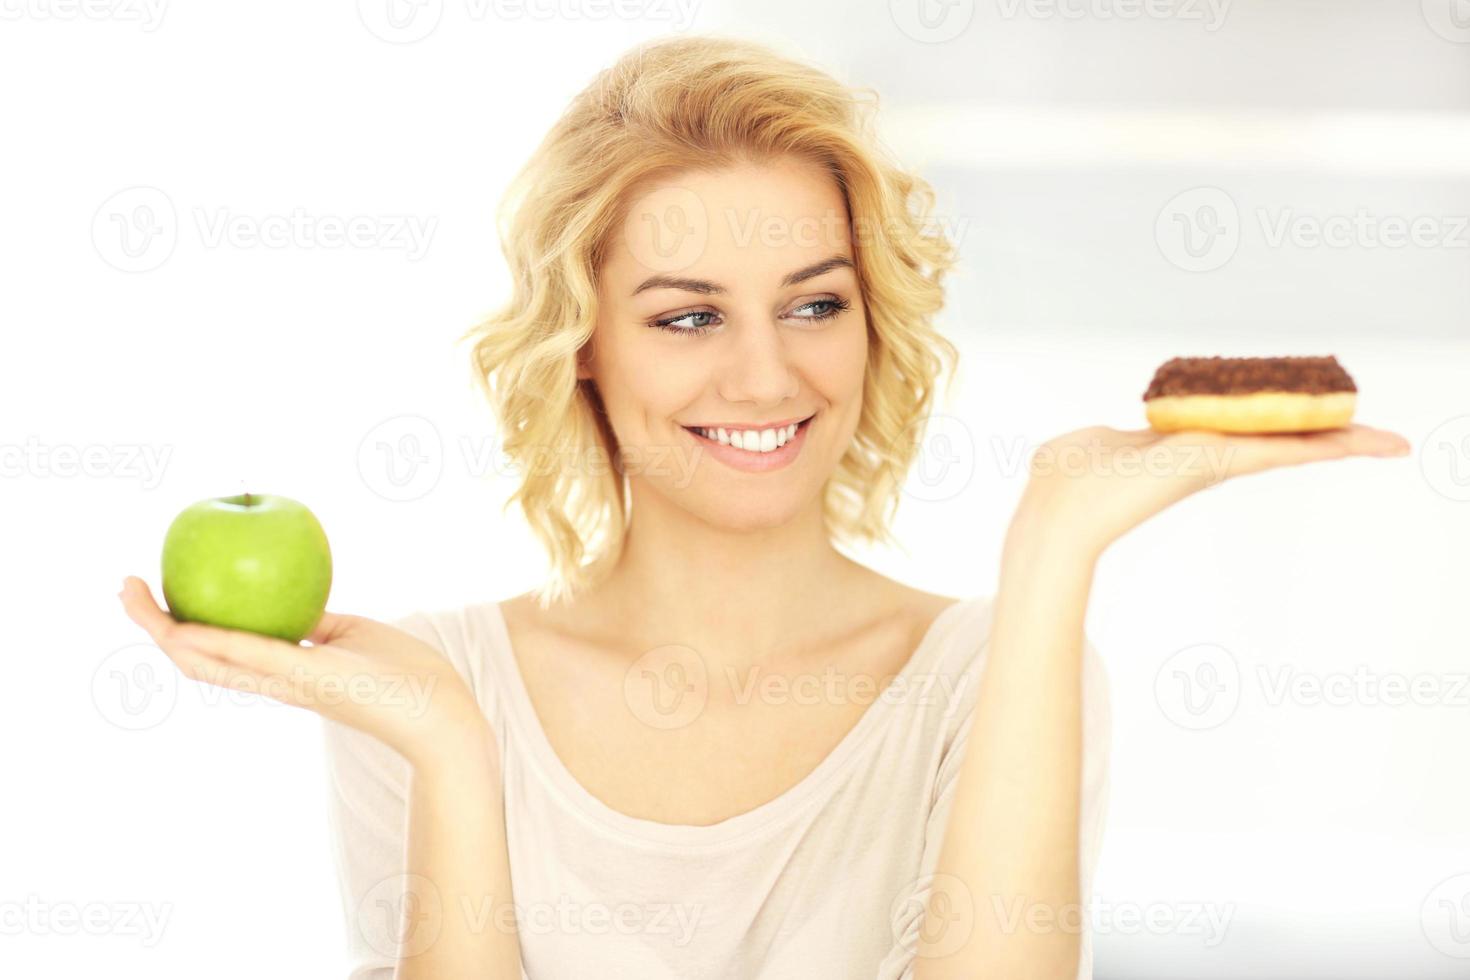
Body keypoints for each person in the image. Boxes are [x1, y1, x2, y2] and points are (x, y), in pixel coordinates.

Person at [118, 33, 1411, 980]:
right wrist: (452, 752)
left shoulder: (996, 670)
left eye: (812, 303)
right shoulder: (427, 687)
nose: (765, 374)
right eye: (688, 315)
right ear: (582, 344)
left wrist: (1054, 540)